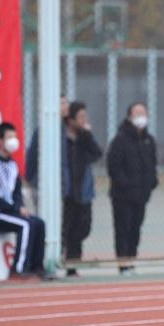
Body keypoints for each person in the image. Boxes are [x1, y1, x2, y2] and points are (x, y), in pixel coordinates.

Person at [0, 122, 47, 278]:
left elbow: (17, 191)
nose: (14, 140)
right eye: (9, 137)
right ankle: (18, 268)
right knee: (26, 225)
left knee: (39, 223)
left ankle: (37, 267)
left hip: (11, 210)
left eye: (15, 137)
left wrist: (18, 206)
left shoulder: (12, 164)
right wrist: (13, 208)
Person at [107, 102, 158, 272]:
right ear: (129, 116)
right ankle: (123, 265)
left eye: (143, 113)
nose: (140, 117)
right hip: (122, 196)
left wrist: (151, 182)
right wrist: (125, 185)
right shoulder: (120, 139)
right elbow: (113, 166)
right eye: (137, 113)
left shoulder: (149, 140)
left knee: (135, 230)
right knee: (123, 230)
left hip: (141, 195)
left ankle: (132, 261)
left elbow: (152, 164)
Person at [62, 101, 103, 270]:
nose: (83, 120)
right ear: (71, 120)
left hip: (82, 191)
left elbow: (97, 153)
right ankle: (62, 261)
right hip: (66, 192)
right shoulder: (62, 138)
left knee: (82, 229)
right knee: (66, 229)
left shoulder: (84, 138)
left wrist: (87, 135)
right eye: (80, 117)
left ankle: (73, 264)